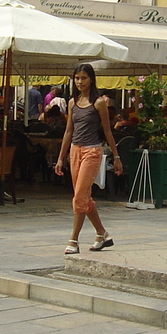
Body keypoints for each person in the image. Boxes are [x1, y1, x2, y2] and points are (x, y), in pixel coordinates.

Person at [54, 63, 123, 255]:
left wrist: (116, 157)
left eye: (83, 78)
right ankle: (102, 234)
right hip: (75, 151)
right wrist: (61, 158)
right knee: (84, 197)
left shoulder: (99, 103)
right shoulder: (72, 102)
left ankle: (73, 240)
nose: (80, 82)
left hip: (92, 151)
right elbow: (69, 131)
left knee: (78, 198)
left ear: (91, 79)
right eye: (77, 78)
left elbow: (107, 131)